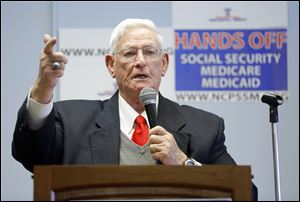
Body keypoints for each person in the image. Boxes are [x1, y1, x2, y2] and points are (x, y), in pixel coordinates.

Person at [12, 18, 257, 200]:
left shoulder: (206, 127)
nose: (140, 61)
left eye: (149, 52)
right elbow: (31, 154)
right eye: (129, 53)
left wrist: (184, 164)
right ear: (111, 65)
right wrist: (43, 87)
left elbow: (247, 194)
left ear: (163, 64)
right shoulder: (71, 121)